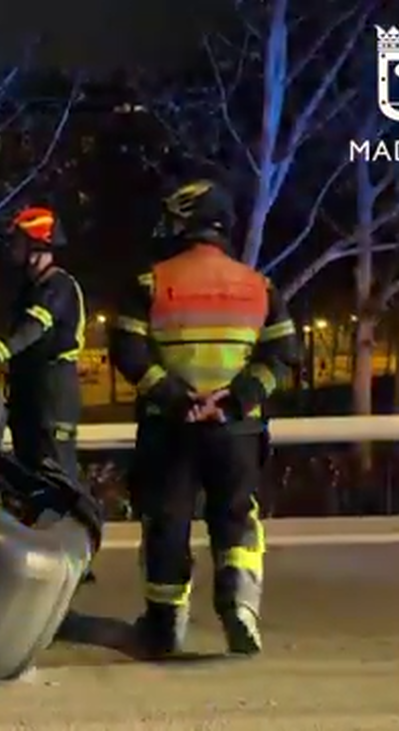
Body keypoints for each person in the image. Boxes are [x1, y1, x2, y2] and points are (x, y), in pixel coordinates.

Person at [108, 179, 301, 658]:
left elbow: (128, 351)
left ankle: (165, 625)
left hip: (170, 427)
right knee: (236, 515)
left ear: (185, 222)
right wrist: (236, 400)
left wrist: (178, 398)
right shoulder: (260, 286)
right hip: (236, 429)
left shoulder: (151, 282)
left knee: (167, 522)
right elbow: (283, 354)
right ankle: (239, 604)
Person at [0, 206, 86, 485]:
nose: (12, 248)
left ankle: (71, 524)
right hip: (30, 388)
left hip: (53, 389)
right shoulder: (31, 288)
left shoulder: (58, 285)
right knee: (29, 468)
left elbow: (33, 328)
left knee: (55, 467)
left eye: (17, 241)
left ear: (36, 243)